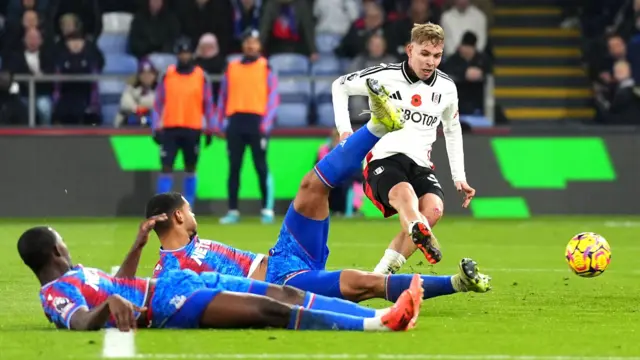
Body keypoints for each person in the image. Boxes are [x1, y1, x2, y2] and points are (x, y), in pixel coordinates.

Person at [139, 84, 491, 304]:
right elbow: (140, 295)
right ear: (178, 217)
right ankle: (457, 283)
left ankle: (378, 125)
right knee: (360, 283)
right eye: (190, 209)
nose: (195, 215)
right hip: (283, 285)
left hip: (284, 253)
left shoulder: (193, 246)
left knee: (311, 186)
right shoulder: (164, 272)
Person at [17, 220, 423, 332]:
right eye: (63, 243)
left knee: (284, 292)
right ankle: (380, 325)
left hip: (176, 284)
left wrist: (138, 246)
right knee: (267, 310)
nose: (68, 247)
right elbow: (81, 322)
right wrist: (107, 306)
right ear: (56, 251)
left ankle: (383, 314)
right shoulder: (54, 294)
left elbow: (120, 285)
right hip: (167, 306)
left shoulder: (81, 273)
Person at [331, 22, 476, 275]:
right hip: (383, 159)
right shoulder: (384, 75)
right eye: (425, 54)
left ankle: (381, 274)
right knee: (406, 194)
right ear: (410, 50)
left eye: (437, 55)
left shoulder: (447, 88)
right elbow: (340, 86)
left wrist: (459, 176)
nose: (431, 62)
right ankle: (418, 229)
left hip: (419, 163)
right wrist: (345, 132)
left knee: (433, 209)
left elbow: (452, 130)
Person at [216, 29, 278, 225]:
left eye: (255, 42)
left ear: (259, 46)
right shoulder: (232, 67)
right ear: (243, 45)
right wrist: (220, 123)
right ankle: (233, 210)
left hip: (256, 122)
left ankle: (267, 210)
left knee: (261, 167)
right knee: (234, 168)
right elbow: (223, 97)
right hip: (235, 121)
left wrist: (265, 124)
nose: (251, 45)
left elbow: (273, 97)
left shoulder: (266, 67)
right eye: (248, 42)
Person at [152, 37, 217, 207]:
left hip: (192, 127)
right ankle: (163, 208)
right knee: (166, 167)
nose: (184, 56)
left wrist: (210, 128)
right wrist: (155, 126)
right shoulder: (167, 74)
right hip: (170, 127)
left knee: (190, 168)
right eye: (181, 53)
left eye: (187, 53)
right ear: (176, 54)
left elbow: (208, 104)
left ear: (192, 54)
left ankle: (189, 207)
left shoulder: (201, 76)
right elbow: (158, 102)